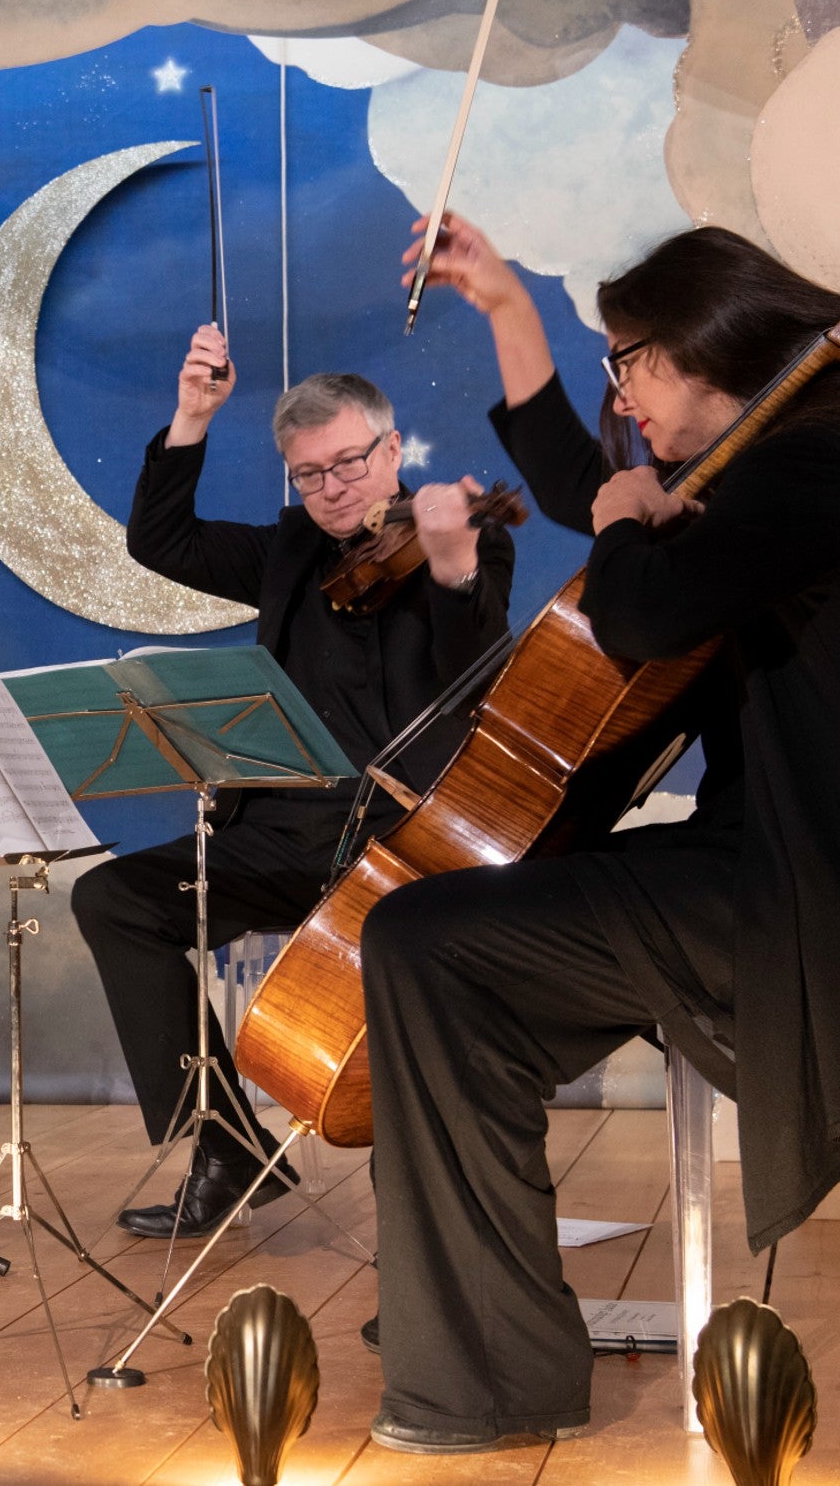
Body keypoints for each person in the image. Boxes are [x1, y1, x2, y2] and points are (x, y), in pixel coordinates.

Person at [353, 214, 840, 1452]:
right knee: (450, 951)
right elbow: (591, 494)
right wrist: (505, 311)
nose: (623, 395)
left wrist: (617, 525)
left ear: (702, 349)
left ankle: (482, 1371)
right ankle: (472, 1331)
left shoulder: (819, 466)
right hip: (791, 874)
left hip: (826, 909)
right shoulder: (801, 460)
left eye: (628, 364)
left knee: (424, 943)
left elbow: (639, 613)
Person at [75, 326, 516, 1239]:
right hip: (272, 841)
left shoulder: (459, 539)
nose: (331, 489)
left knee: (410, 965)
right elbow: (161, 545)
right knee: (113, 896)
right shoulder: (286, 552)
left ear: (391, 451)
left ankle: (432, 1234)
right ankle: (227, 1147)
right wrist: (194, 415)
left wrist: (449, 562)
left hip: (394, 849)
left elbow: (477, 670)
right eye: (308, 474)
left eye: (348, 463)